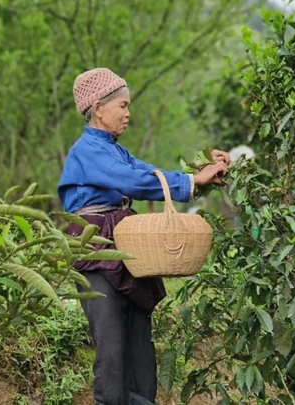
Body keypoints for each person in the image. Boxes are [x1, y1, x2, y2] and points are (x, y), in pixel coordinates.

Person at [57, 68, 230, 405]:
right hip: (95, 249)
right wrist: (191, 181)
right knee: (110, 338)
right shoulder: (86, 151)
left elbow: (149, 173)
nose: (128, 113)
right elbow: (133, 182)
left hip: (122, 245)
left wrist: (199, 175)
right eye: (122, 105)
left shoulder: (115, 150)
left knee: (139, 335)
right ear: (98, 108)